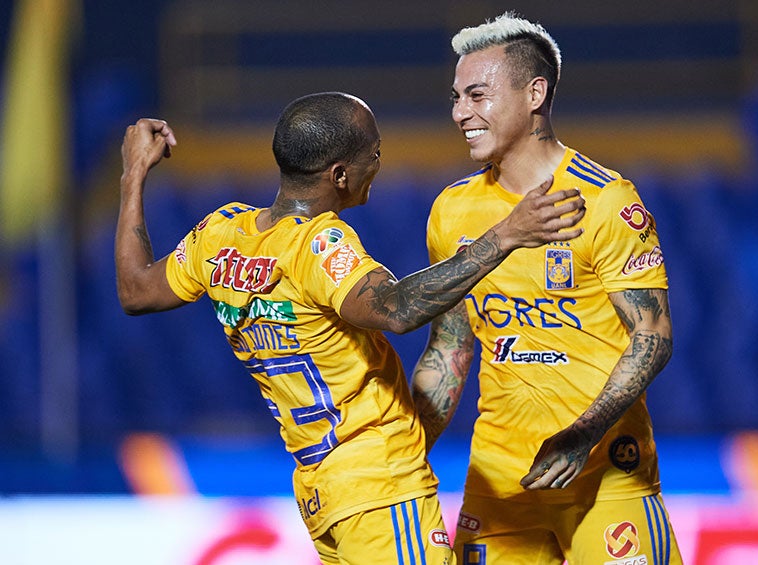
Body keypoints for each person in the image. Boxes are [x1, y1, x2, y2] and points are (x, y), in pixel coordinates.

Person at [114, 92, 585, 565]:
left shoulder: (218, 236)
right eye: (373, 155)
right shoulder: (317, 242)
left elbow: (135, 291)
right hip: (379, 488)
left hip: (322, 488)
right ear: (339, 175)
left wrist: (133, 174)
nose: (378, 165)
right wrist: (504, 236)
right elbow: (395, 309)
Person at [411, 13, 683, 565]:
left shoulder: (607, 202)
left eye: (478, 95)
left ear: (535, 93)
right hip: (499, 482)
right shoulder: (452, 211)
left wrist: (583, 435)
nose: (461, 112)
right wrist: (407, 449)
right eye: (457, 97)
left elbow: (652, 336)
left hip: (606, 475)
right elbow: (451, 348)